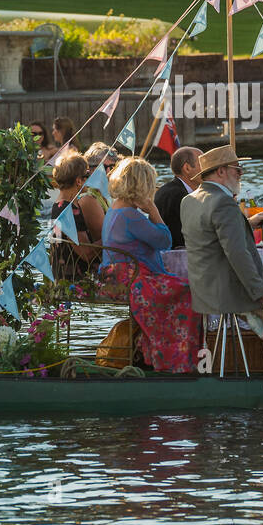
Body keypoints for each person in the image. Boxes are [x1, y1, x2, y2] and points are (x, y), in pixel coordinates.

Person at [179, 145, 263, 377]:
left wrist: (246, 223)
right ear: (221, 172)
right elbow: (236, 252)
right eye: (238, 170)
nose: (240, 175)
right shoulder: (224, 203)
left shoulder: (190, 200)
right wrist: (260, 291)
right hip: (230, 292)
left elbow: (211, 237)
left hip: (204, 291)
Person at [99, 157, 200, 373]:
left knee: (183, 286)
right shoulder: (130, 216)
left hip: (117, 277)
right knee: (192, 291)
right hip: (134, 281)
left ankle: (154, 353)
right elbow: (165, 241)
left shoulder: (115, 209)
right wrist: (153, 209)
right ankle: (175, 360)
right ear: (141, 186)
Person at [47, 150, 105, 279]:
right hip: (74, 280)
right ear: (78, 181)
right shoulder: (69, 210)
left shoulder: (59, 205)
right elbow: (86, 253)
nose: (90, 179)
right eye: (87, 174)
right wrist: (111, 236)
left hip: (60, 275)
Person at [152, 145, 202, 248]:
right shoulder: (179, 196)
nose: (208, 169)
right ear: (187, 168)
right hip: (175, 257)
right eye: (202, 164)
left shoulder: (169, 189)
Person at [82, 142, 122, 212]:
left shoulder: (110, 193)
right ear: (90, 169)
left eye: (112, 167)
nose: (109, 171)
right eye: (103, 167)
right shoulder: (88, 197)